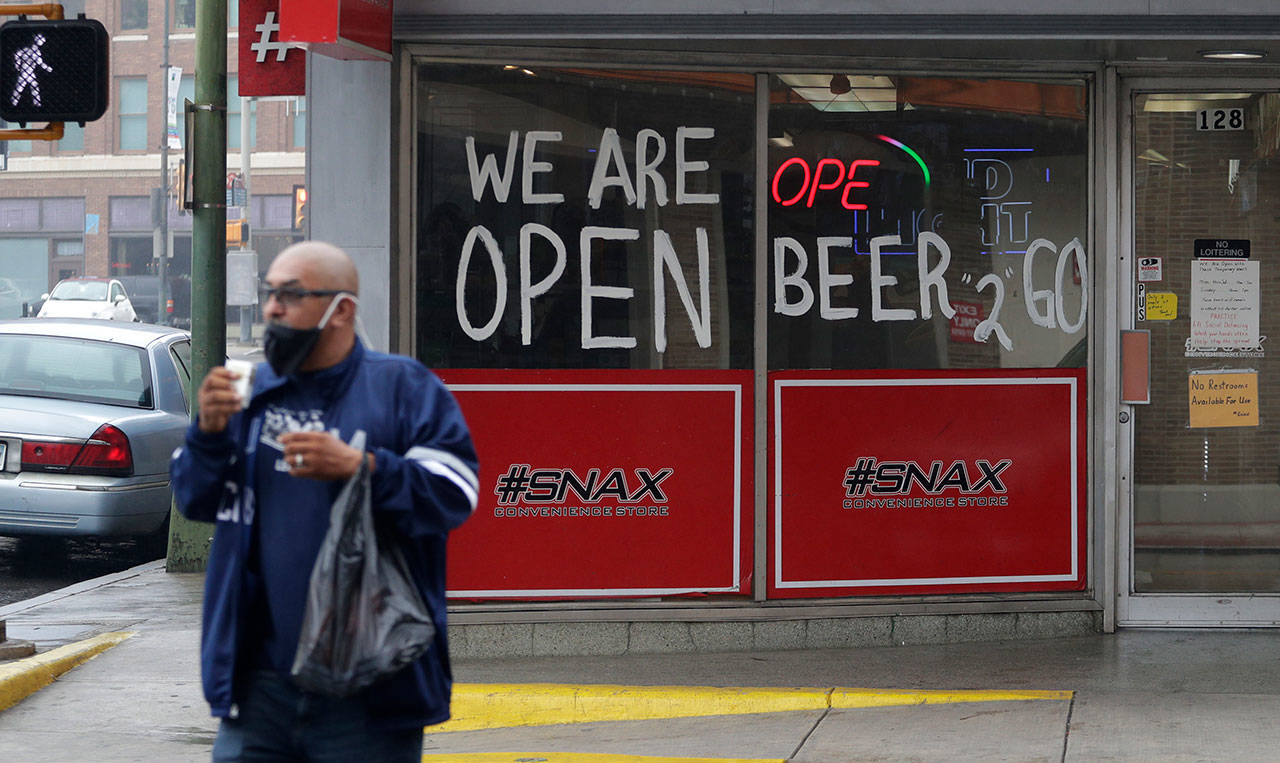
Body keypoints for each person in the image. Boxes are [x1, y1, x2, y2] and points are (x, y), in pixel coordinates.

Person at [170, 241, 478, 762]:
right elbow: (195, 500)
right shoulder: (250, 390)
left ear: (343, 309)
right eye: (271, 293)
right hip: (258, 687)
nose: (272, 309)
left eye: (291, 295)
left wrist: (364, 467)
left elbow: (456, 492)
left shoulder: (403, 388)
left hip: (368, 691)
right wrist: (207, 432)